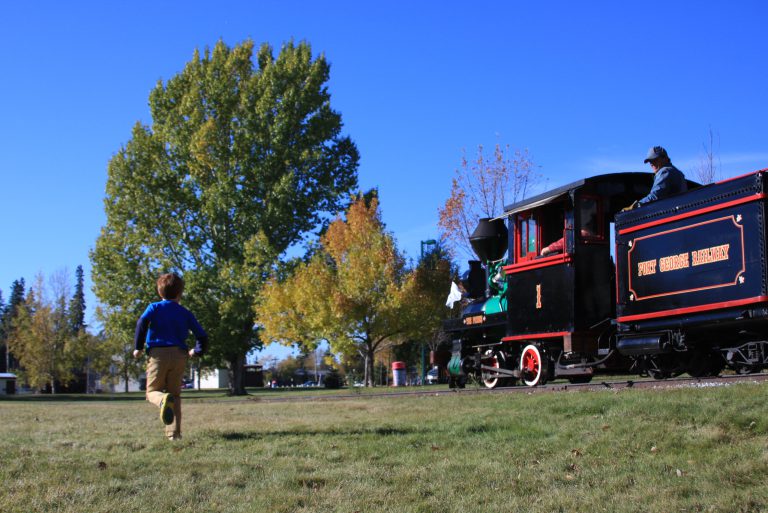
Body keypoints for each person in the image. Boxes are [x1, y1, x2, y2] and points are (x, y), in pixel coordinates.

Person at [133, 273, 207, 440]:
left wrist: (138, 347)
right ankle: (174, 435)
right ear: (180, 293)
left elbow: (141, 323)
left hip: (158, 354)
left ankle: (161, 400)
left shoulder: (154, 308)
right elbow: (202, 336)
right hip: (180, 355)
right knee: (175, 396)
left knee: (152, 392)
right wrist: (197, 351)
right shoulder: (185, 313)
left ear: (160, 293)